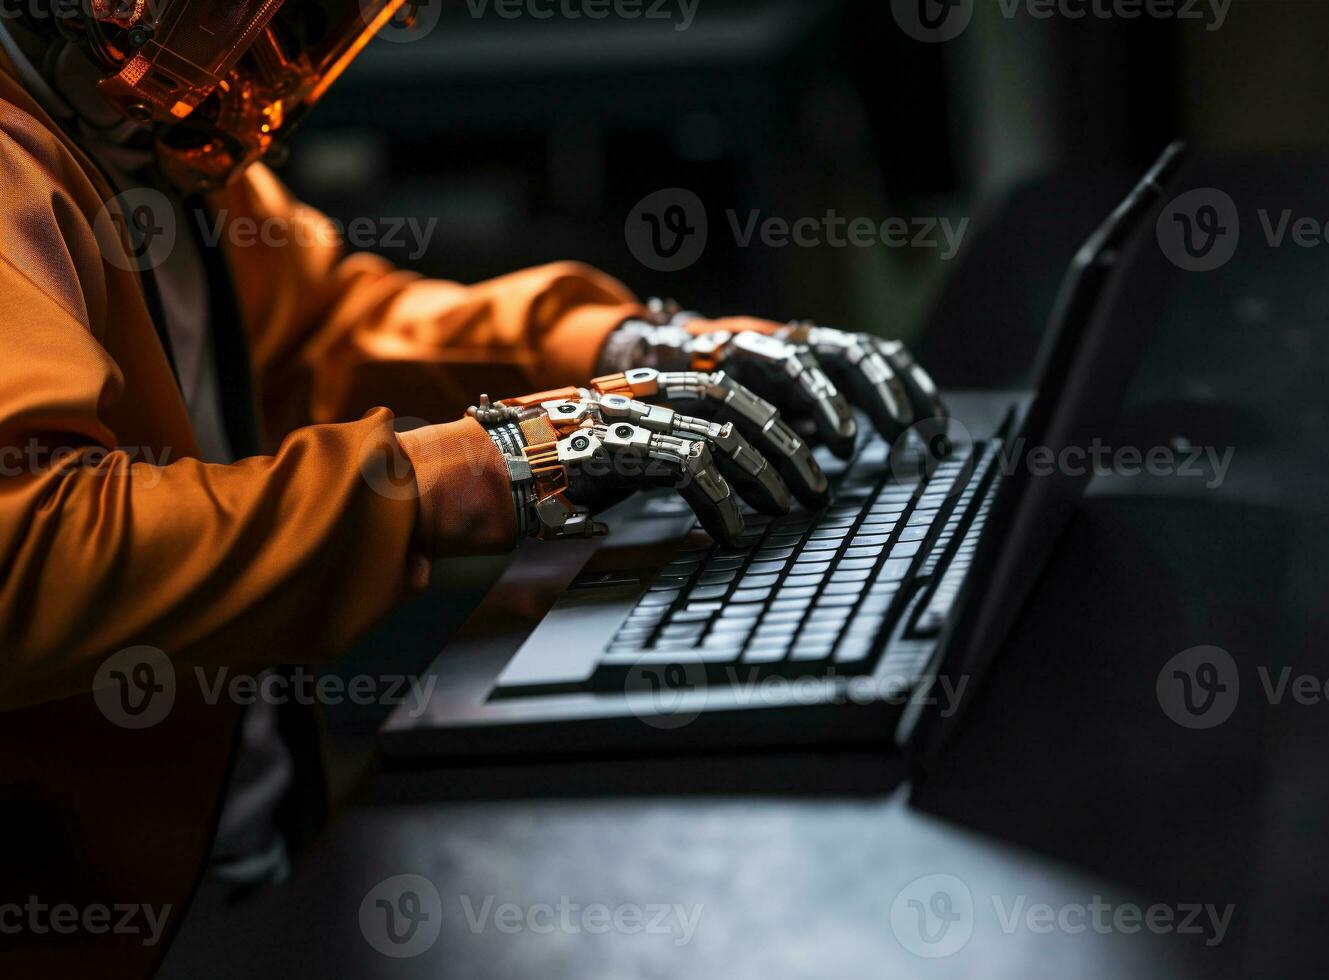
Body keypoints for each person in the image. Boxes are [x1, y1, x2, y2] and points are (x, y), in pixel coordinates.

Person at [0, 2, 945, 973]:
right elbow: (31, 546)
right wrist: (497, 463)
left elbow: (320, 332)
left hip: (246, 864)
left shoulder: (147, 134)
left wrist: (629, 351)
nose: (279, 50)